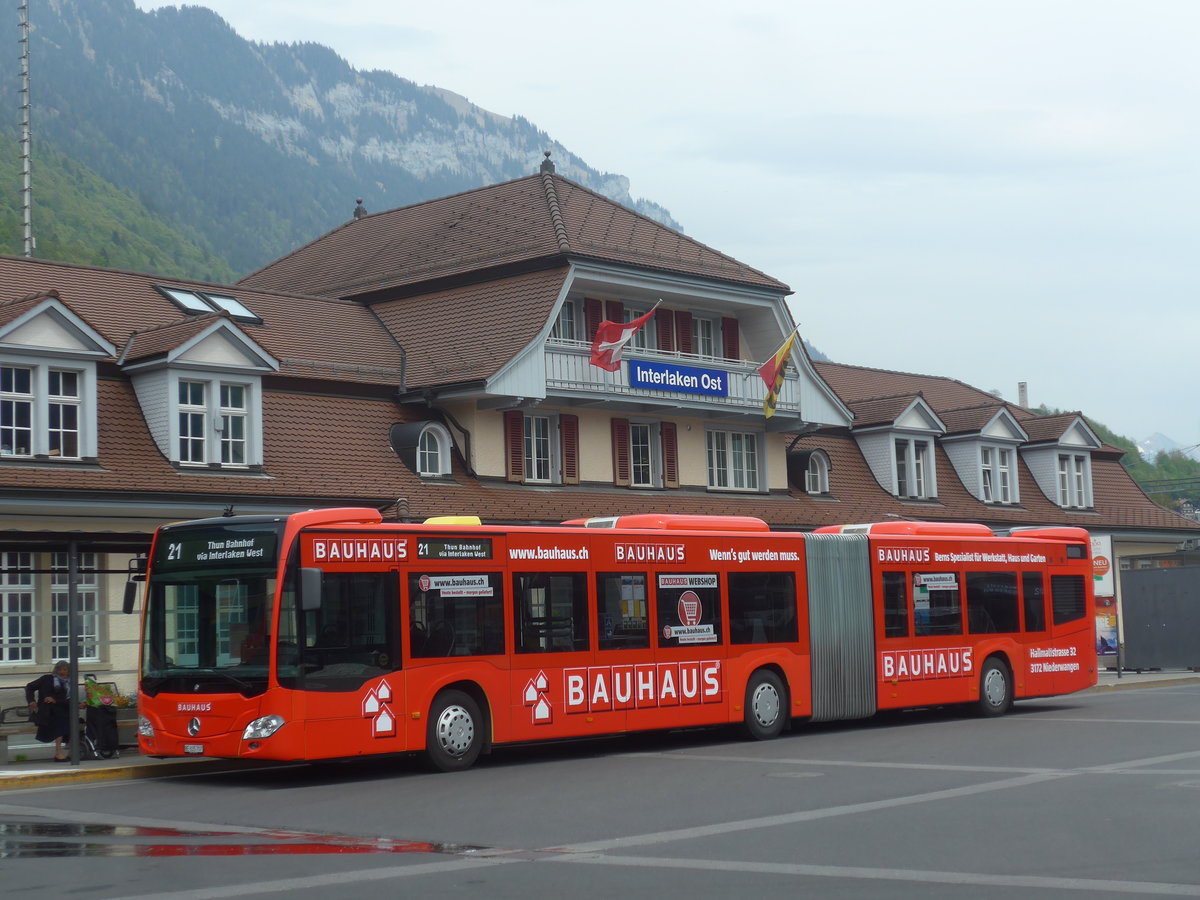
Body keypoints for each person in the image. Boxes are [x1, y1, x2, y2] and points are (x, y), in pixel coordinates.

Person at [26, 661, 73, 761]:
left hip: (64, 710)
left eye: (65, 670)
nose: (62, 672)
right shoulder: (47, 679)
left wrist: (55, 700)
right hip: (48, 712)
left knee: (75, 723)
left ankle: (71, 753)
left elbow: (70, 700)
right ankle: (58, 753)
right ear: (56, 670)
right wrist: (31, 700)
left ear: (68, 671)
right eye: (59, 669)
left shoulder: (70, 683)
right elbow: (29, 687)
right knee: (60, 722)